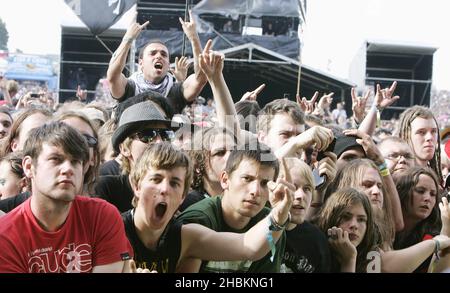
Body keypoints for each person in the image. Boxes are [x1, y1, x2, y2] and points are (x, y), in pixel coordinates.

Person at [123, 142, 292, 272]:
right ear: (136, 186)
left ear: (183, 196)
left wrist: (278, 216)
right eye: (156, 179)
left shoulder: (186, 236)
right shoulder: (113, 229)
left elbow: (248, 245)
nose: (165, 189)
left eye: (175, 183)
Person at [0, 122, 133, 272]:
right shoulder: (5, 235)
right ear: (29, 167)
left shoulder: (102, 216)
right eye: (56, 159)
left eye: (75, 161)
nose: (68, 169)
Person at [176, 143, 286, 272]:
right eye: (247, 179)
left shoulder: (271, 224)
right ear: (225, 180)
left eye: (265, 183)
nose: (255, 191)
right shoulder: (198, 220)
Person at [106, 11, 207, 114]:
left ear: (168, 65)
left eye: (164, 54)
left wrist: (194, 38)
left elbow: (200, 79)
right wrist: (128, 38)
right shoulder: (130, 87)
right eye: (153, 53)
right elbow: (113, 76)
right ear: (141, 63)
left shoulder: (176, 91)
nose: (158, 56)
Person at [279, 158, 331, 273]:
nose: (300, 195)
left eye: (307, 189)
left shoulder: (317, 241)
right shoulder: (258, 228)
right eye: (293, 186)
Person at [394, 167, 450, 273]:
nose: (427, 198)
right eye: (420, 191)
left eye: (433, 194)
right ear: (403, 192)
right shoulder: (384, 229)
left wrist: (447, 229)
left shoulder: (432, 235)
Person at [317, 188, 378, 273]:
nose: (354, 225)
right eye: (346, 217)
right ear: (331, 218)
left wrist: (350, 259)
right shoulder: (316, 249)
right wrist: (349, 261)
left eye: (361, 220)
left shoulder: (373, 256)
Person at [398, 105, 443, 183]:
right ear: (405, 136)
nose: (429, 137)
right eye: (421, 132)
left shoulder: (437, 181)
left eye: (433, 131)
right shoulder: (397, 179)